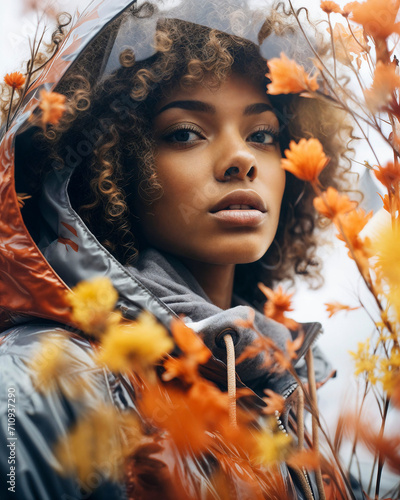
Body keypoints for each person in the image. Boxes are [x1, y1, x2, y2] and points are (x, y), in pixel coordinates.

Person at [0, 0, 364, 498]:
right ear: (110, 166)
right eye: (186, 133)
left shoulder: (294, 388)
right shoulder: (46, 377)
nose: (241, 159)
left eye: (262, 135)